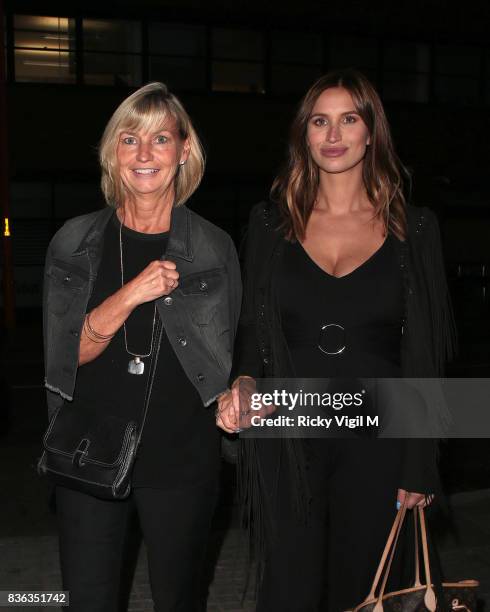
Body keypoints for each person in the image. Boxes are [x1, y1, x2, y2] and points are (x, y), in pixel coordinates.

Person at [217, 69, 455, 611]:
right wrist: (247, 383)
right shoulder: (269, 224)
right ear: (304, 134)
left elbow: (424, 355)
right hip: (288, 435)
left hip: (378, 438)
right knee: (290, 591)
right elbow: (253, 330)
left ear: (371, 132)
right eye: (319, 121)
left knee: (366, 589)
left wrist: (419, 464)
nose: (333, 134)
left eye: (349, 119)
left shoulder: (413, 229)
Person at [42, 82, 241, 612]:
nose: (145, 154)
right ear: (113, 153)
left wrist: (237, 397)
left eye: (160, 139)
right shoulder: (74, 240)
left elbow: (234, 352)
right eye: (130, 139)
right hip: (88, 450)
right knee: (87, 600)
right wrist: (130, 294)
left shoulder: (214, 247)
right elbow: (62, 358)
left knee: (179, 600)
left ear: (184, 151)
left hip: (183, 454)